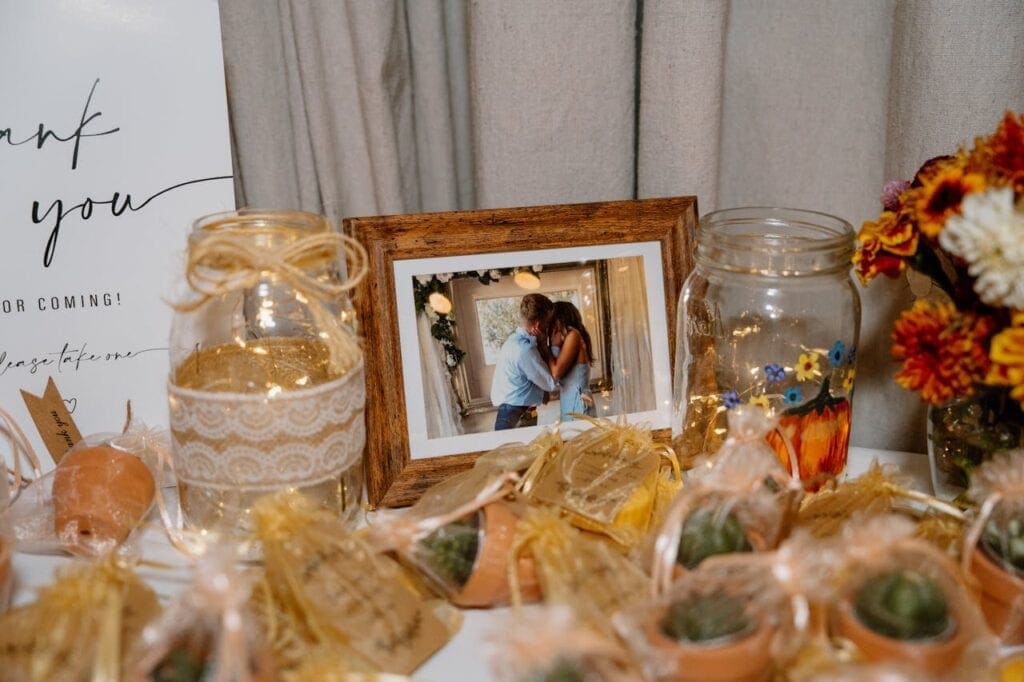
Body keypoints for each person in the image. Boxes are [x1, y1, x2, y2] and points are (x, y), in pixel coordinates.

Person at [490, 293, 559, 430]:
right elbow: (550, 384)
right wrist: (546, 347)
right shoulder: (525, 350)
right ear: (538, 325)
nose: (549, 327)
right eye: (548, 322)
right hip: (515, 416)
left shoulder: (513, 340)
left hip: (514, 412)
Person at [541, 300, 597, 421]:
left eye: (551, 320)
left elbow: (556, 373)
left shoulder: (574, 336)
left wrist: (547, 346)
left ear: (559, 318)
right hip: (568, 400)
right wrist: (553, 346)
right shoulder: (566, 339)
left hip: (578, 400)